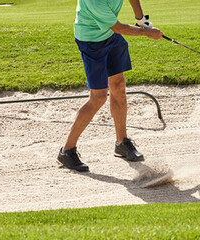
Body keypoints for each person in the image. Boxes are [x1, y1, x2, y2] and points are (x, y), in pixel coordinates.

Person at [57, 0, 164, 172]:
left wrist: (141, 19)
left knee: (119, 85)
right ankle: (67, 151)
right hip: (92, 41)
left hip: (110, 36)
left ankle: (122, 142)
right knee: (98, 97)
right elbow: (119, 28)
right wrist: (147, 32)